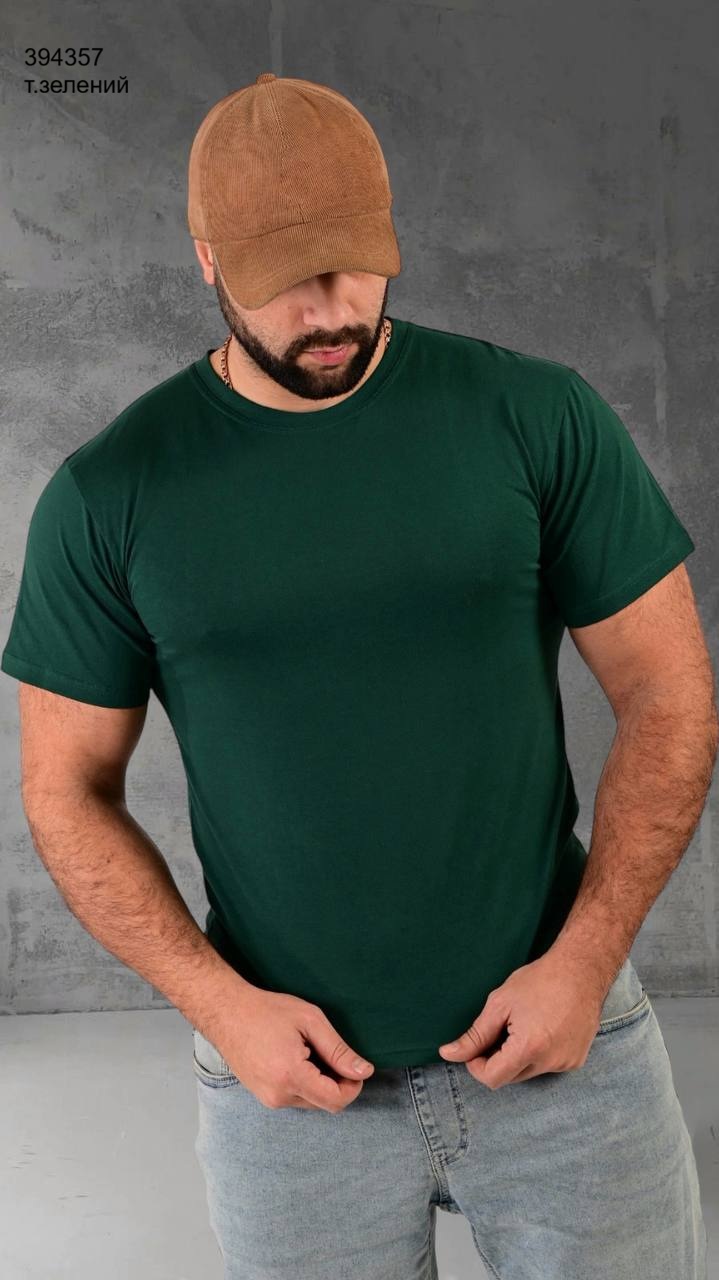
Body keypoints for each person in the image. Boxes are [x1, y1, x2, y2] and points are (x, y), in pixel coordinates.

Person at [1, 72, 713, 1280]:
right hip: (289, 1089)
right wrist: (222, 1007)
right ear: (207, 257)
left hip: (565, 1048)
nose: (327, 309)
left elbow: (667, 690)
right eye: (285, 277)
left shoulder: (533, 415)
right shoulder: (110, 493)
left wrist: (586, 958)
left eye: (351, 266)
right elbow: (64, 788)